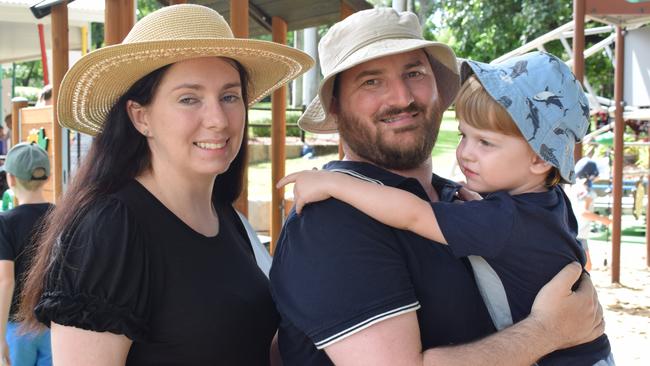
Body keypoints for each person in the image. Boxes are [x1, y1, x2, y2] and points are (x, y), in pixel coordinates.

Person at [270, 8, 604, 366]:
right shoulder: (333, 217)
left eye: (414, 73)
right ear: (335, 105)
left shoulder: (467, 198)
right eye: (371, 81)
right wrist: (548, 332)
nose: (401, 97)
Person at [17, 4, 312, 365]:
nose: (218, 119)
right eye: (189, 99)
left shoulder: (227, 217)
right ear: (141, 117)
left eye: (230, 96)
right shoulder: (112, 228)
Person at [0, 143, 54, 366]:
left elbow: (5, 281)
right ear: (47, 177)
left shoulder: (6, 223)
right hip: (55, 323)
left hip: (17, 326)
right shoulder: (62, 216)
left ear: (11, 179)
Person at [570, 157, 613, 271]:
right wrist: (604, 219)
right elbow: (584, 212)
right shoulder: (585, 190)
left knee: (583, 266)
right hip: (578, 234)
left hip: (574, 232)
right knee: (586, 266)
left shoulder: (574, 187)